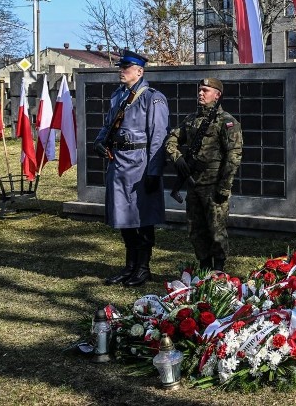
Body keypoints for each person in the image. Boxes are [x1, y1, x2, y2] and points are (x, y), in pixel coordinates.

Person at [94, 49, 169, 287]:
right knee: (123, 216)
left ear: (139, 71)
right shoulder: (118, 95)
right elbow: (108, 124)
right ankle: (129, 266)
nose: (121, 72)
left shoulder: (152, 98)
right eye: (120, 68)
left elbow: (158, 136)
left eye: (125, 68)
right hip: (118, 162)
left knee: (142, 217)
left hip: (140, 163)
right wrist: (99, 141)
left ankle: (143, 268)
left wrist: (154, 171)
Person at [165, 78, 243, 272]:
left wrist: (224, 187)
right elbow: (171, 140)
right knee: (195, 230)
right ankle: (204, 266)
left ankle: (219, 269)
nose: (201, 93)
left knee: (216, 230)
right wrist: (178, 159)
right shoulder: (191, 120)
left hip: (214, 185)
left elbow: (234, 156)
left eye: (206, 90)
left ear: (217, 95)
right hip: (194, 185)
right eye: (200, 90)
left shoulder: (227, 122)